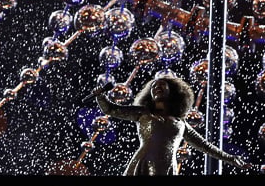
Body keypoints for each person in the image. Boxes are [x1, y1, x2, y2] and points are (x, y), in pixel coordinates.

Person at [94, 75, 248, 175]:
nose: (157, 87)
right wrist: (100, 96)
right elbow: (112, 109)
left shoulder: (181, 123)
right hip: (142, 164)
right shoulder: (143, 113)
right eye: (153, 86)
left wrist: (230, 158)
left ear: (173, 92)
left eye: (162, 85)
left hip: (167, 167)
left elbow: (205, 146)